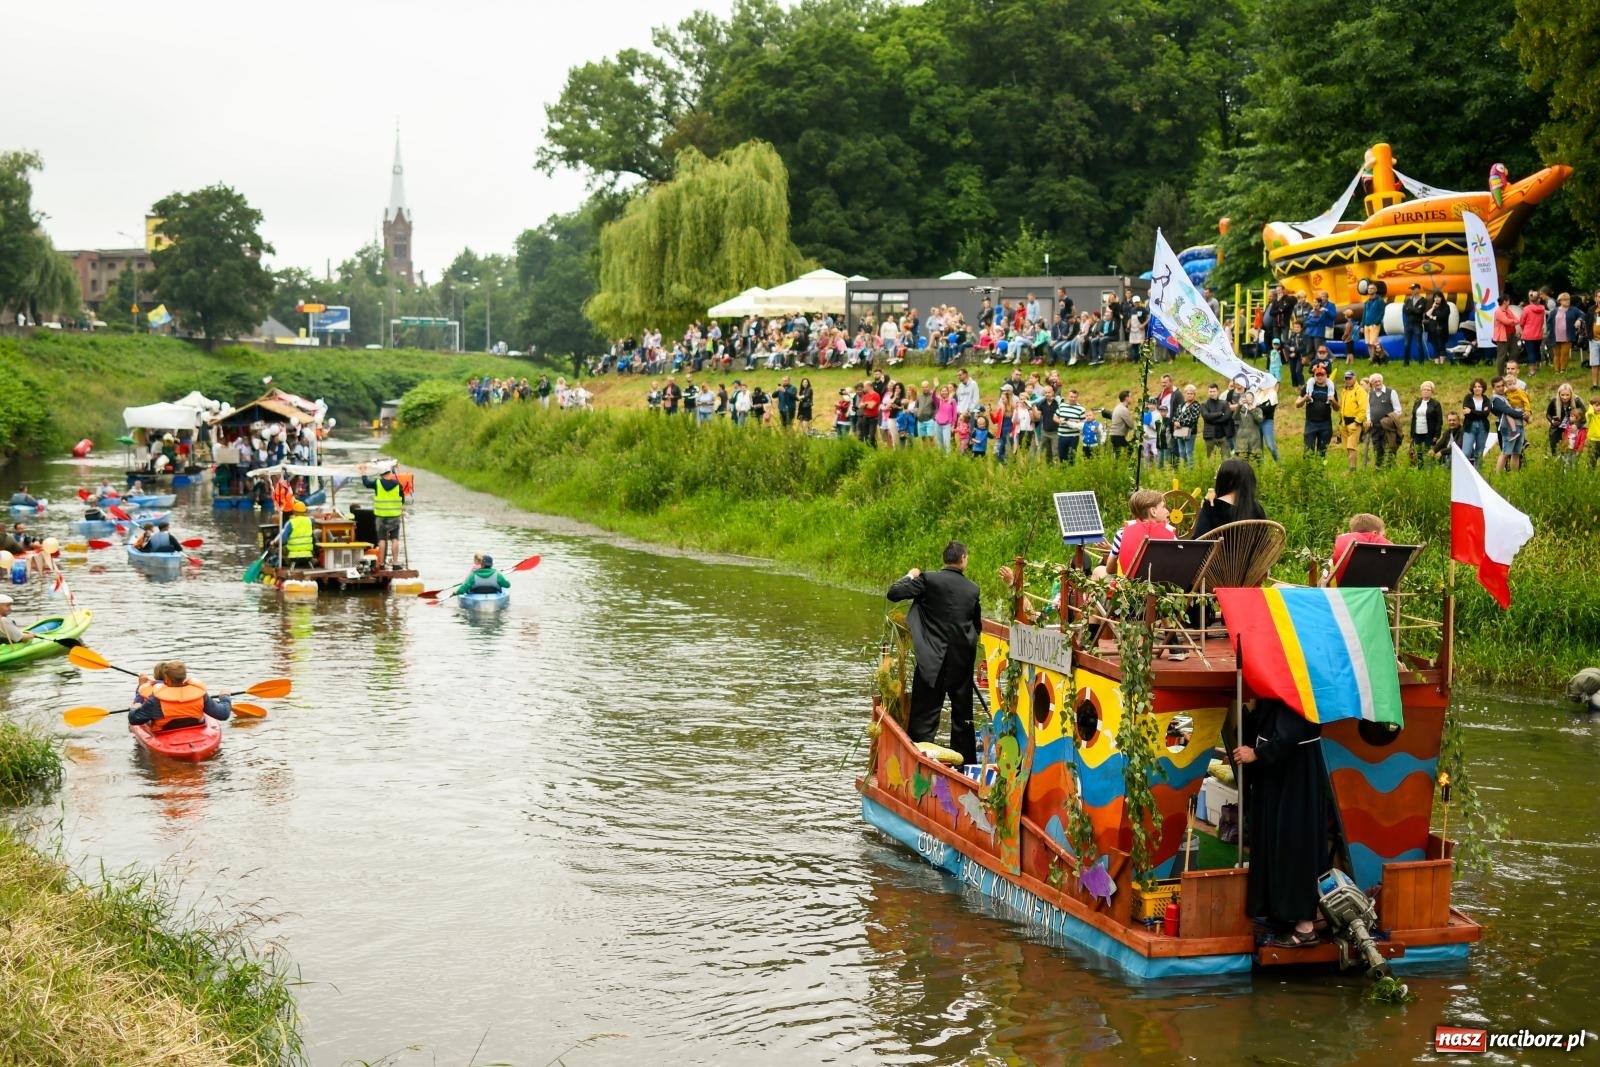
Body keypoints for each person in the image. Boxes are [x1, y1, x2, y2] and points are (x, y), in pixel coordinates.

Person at [1233, 697, 1328, 947]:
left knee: (1294, 842)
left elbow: (1288, 735)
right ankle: (1282, 912)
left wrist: (1256, 754)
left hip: (1294, 777)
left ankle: (1305, 925)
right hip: (1279, 775)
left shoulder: (1293, 690)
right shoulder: (1277, 690)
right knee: (1274, 838)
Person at [886, 542, 983, 765]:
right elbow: (976, 626)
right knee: (963, 719)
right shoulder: (972, 589)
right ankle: (965, 767)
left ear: (945, 559)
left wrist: (910, 576)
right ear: (963, 559)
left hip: (931, 661)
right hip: (961, 663)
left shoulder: (928, 580)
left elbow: (894, 593)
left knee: (924, 718)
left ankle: (918, 764)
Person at [128, 660, 233, 733]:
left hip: (165, 733)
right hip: (195, 728)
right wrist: (225, 698)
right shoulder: (200, 695)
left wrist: (135, 707)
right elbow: (223, 714)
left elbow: (134, 720)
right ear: (184, 677)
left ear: (167, 679)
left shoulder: (156, 700)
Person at [1190, 457, 1266, 539]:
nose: (1215, 478)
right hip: (1252, 552)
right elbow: (1264, 543)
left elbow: (1198, 542)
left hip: (1216, 552)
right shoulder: (1257, 509)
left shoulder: (1212, 507)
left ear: (1225, 480)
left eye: (1217, 475)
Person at [1329, 513, 1393, 585]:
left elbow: (1322, 582)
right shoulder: (1376, 543)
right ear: (1375, 533)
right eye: (1383, 535)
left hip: (1343, 589)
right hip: (1374, 588)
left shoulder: (1342, 548)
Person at [365, 468, 406, 569]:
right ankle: (395, 563)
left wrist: (363, 472)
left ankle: (381, 563)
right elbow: (402, 500)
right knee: (395, 539)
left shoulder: (377, 483)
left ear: (381, 474)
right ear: (390, 473)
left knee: (382, 540)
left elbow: (366, 483)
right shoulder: (398, 484)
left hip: (381, 516)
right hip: (394, 516)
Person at [1295, 365, 1336, 456]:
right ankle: (1308, 469)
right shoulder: (1307, 388)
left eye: (1322, 375)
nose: (1320, 377)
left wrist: (1333, 401)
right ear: (1314, 376)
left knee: (1322, 452)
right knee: (1308, 450)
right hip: (1311, 424)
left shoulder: (1331, 389)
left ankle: (1320, 469)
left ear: (1326, 376)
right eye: (1318, 375)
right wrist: (1304, 399)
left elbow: (1337, 408)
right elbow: (1297, 404)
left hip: (1325, 424)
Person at [1409, 381, 1444, 464]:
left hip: (1429, 433)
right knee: (1419, 452)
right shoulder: (1417, 403)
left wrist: (1436, 435)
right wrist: (1412, 434)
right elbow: (1414, 418)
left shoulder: (1436, 404)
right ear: (1421, 391)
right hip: (1417, 432)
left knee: (1429, 453)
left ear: (1432, 392)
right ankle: (1420, 469)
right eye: (1424, 389)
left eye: (1428, 390)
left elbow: (1439, 420)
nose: (1426, 391)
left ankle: (1429, 470)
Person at [1401, 283, 1427, 366]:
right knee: (1406, 344)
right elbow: (1404, 310)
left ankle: (1421, 362)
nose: (1411, 291)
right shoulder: (1408, 299)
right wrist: (1414, 309)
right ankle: (1406, 362)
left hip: (1417, 324)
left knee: (1419, 344)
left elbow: (1419, 311)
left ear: (1418, 289)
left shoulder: (1423, 300)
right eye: (1411, 289)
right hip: (1408, 324)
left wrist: (1410, 309)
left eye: (1413, 289)